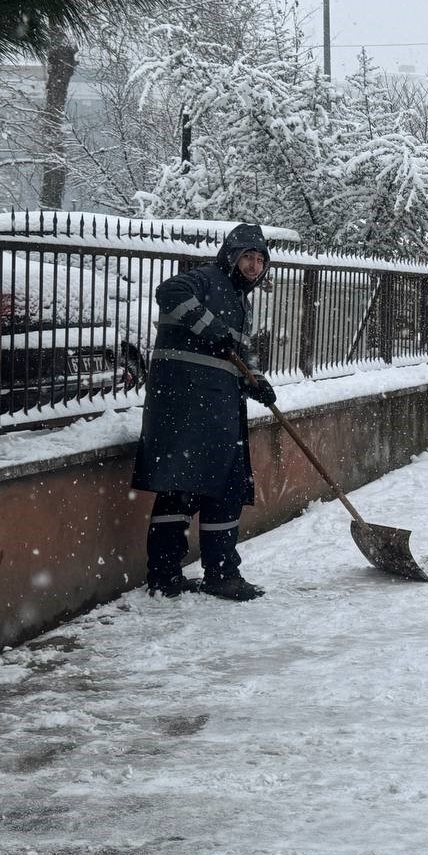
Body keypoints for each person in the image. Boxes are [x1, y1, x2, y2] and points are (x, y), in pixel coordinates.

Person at [131, 223, 278, 601]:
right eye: (247, 256)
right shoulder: (206, 279)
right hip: (185, 406)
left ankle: (206, 574)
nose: (254, 266)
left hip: (216, 407)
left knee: (215, 490)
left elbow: (239, 355)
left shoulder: (240, 301)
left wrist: (256, 380)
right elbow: (169, 291)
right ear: (231, 256)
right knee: (187, 491)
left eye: (260, 259)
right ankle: (181, 575)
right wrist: (210, 328)